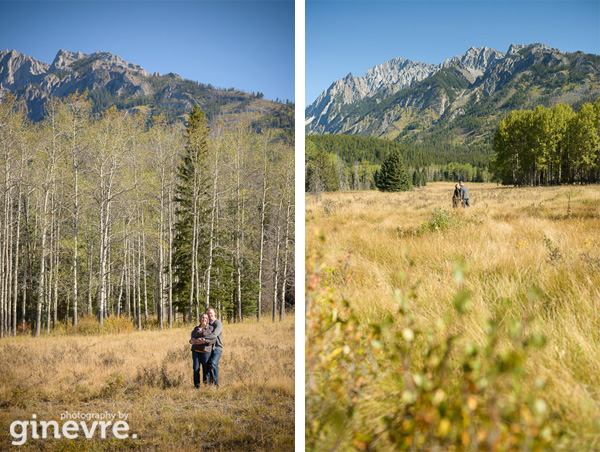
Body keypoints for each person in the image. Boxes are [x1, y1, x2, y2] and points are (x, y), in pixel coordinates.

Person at [190, 308, 223, 388]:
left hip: (216, 348)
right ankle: (207, 385)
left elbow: (214, 336)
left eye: (211, 313)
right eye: (208, 313)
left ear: (214, 313)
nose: (209, 315)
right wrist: (193, 340)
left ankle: (215, 385)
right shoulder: (198, 327)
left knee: (213, 365)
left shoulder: (217, 324)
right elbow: (192, 335)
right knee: (206, 367)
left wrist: (203, 340)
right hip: (207, 349)